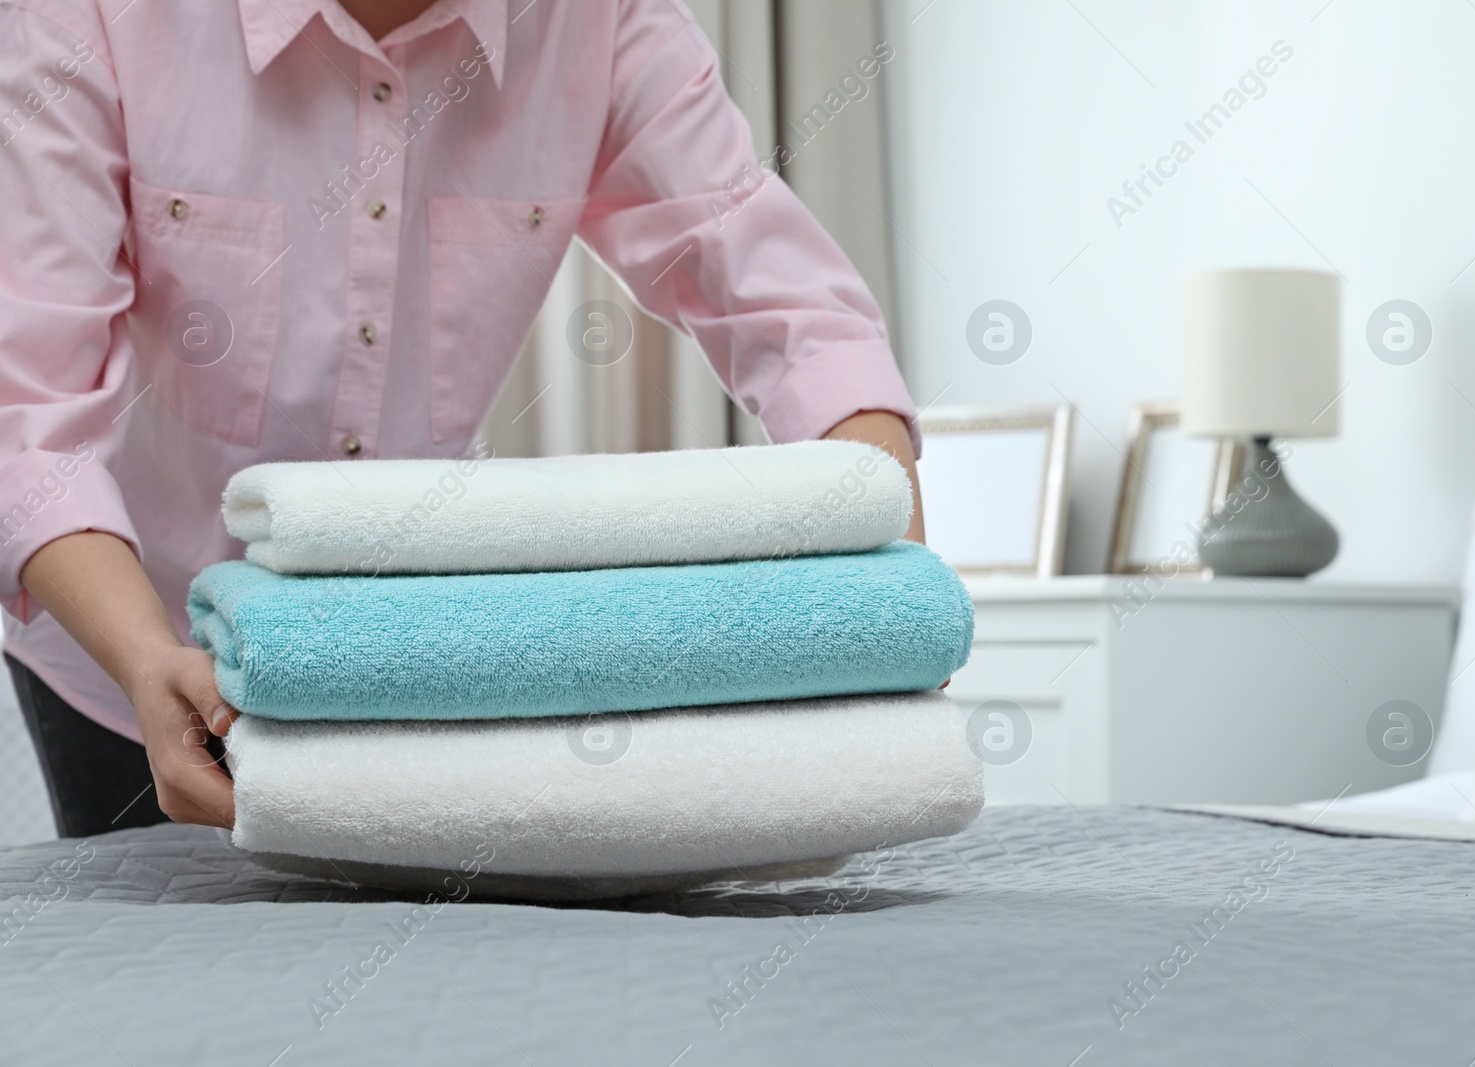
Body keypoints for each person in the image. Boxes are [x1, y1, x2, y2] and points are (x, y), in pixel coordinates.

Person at [0, 0, 927, 838]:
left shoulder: (597, 22)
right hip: (128, 631)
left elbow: (793, 311)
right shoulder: (91, 15)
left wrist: (892, 604)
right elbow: (27, 406)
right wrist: (142, 657)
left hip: (404, 652)